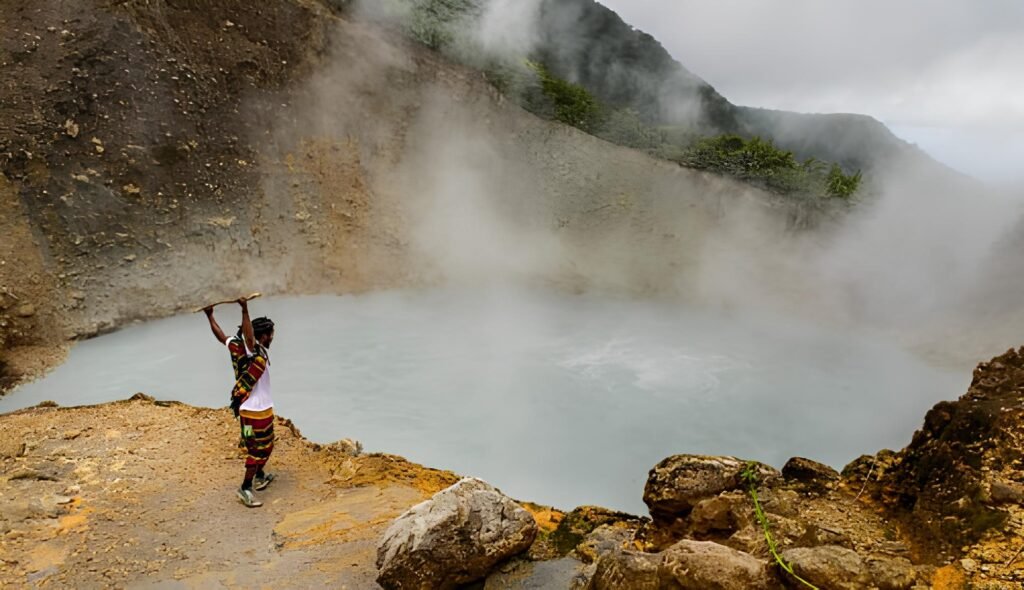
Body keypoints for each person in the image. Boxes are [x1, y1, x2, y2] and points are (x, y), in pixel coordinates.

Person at [203, 298, 277, 508]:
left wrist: (210, 316)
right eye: (270, 334)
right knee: (257, 449)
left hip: (250, 411)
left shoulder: (235, 346)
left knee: (260, 444)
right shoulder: (252, 351)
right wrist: (244, 309)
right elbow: (249, 338)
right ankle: (245, 488)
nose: (272, 338)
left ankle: (260, 474)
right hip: (254, 412)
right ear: (262, 335)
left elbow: (221, 337)